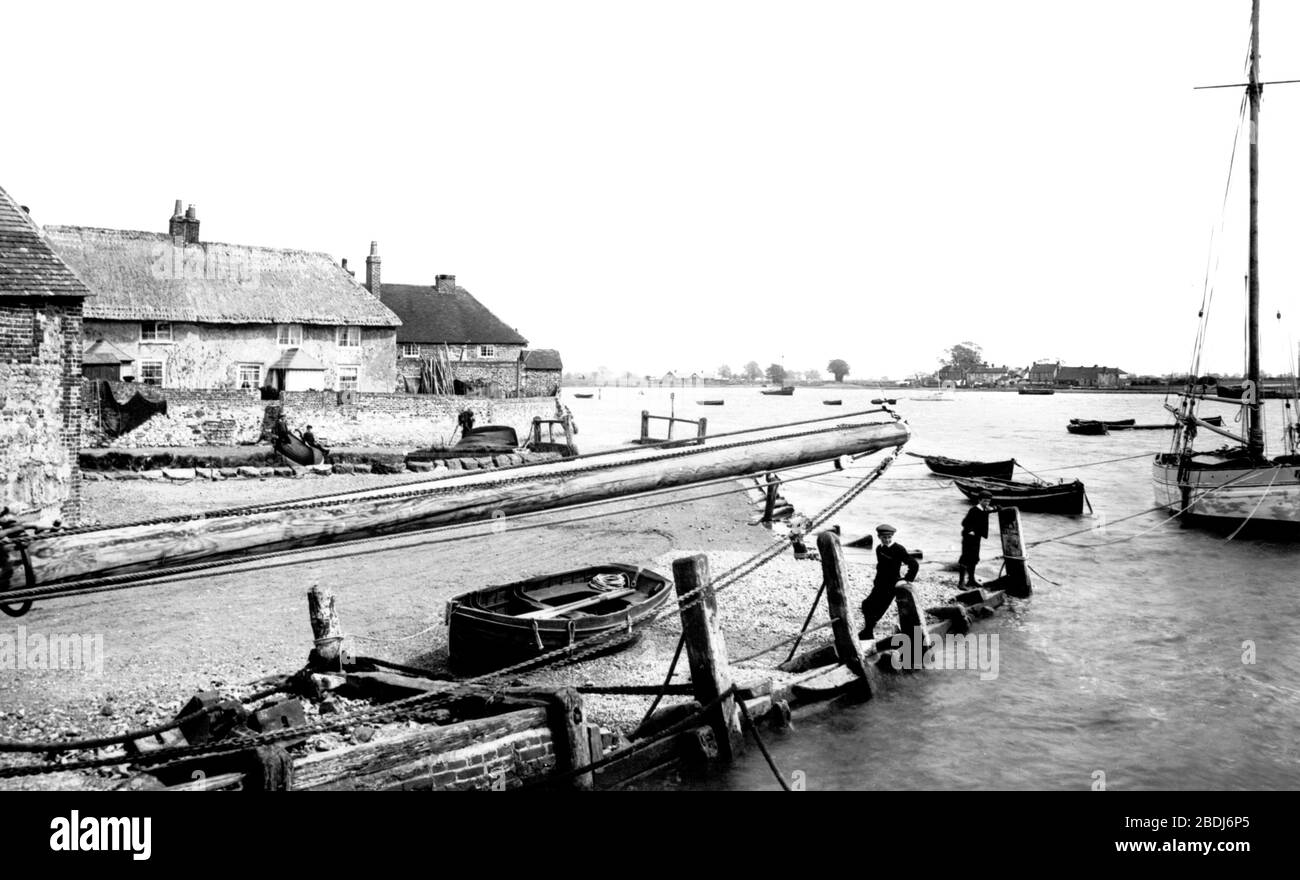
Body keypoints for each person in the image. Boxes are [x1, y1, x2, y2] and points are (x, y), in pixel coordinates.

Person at [859, 523, 920, 640]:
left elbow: (914, 564)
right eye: (884, 538)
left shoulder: (899, 549)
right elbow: (880, 566)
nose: (887, 540)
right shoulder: (879, 549)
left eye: (889, 537)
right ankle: (868, 631)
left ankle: (868, 632)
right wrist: (876, 581)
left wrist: (906, 579)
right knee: (866, 605)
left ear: (892, 537)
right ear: (879, 537)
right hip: (880, 583)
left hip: (891, 585)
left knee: (878, 609)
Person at [958, 491, 995, 589]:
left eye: (988, 501)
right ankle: (961, 583)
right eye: (984, 501)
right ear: (979, 500)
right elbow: (964, 522)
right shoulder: (974, 510)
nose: (987, 503)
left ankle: (971, 580)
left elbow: (993, 509)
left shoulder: (984, 510)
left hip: (977, 538)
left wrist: (996, 508)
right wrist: (970, 531)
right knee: (965, 558)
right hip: (969, 538)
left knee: (974, 558)